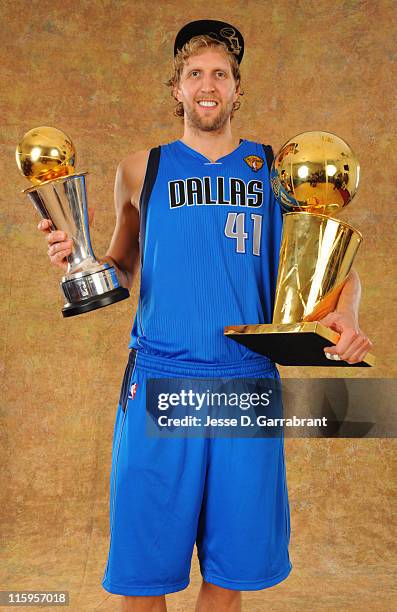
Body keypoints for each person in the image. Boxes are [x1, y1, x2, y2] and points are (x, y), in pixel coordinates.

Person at [38, 20, 373, 612]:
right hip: (161, 382)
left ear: (237, 90)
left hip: (245, 385)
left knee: (229, 571)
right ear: (177, 88)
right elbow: (122, 265)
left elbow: (333, 269)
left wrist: (345, 313)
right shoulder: (143, 168)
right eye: (195, 74)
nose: (208, 84)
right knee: (145, 576)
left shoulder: (276, 169)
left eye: (221, 73)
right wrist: (78, 260)